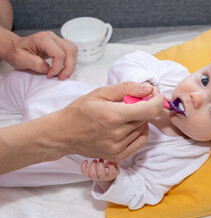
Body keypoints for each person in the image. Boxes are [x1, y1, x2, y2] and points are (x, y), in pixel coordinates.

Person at [0, 50, 211, 210]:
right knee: (18, 80)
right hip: (52, 94)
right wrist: (143, 82)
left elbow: (143, 191)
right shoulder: (169, 77)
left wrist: (111, 181)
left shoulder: (184, 152)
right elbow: (128, 62)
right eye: (204, 80)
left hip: (53, 157)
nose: (195, 96)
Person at [0, 0, 164, 174]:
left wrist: (8, 43)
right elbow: (134, 62)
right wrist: (59, 137)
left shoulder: (179, 157)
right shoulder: (169, 78)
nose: (195, 97)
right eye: (198, 80)